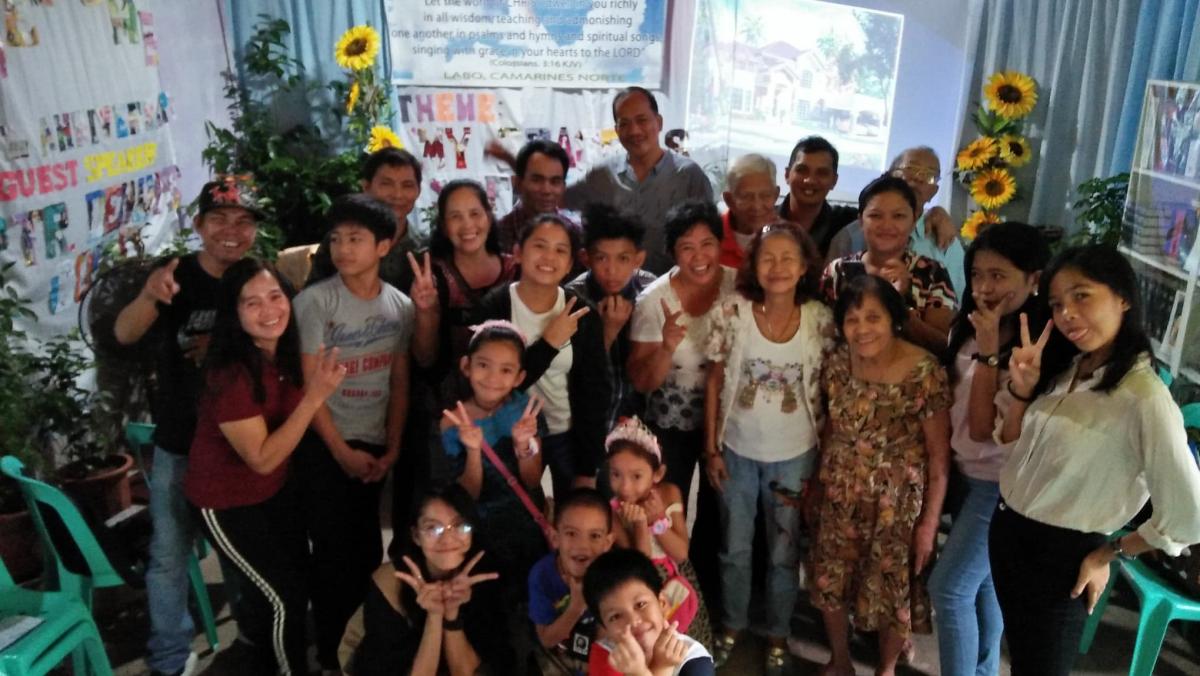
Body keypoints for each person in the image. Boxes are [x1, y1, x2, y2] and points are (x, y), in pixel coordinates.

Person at [992, 245, 1200, 675]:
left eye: (1082, 296)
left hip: (1063, 557)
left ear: (1123, 298)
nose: (1067, 313)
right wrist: (1022, 391)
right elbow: (1012, 445)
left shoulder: (1144, 397)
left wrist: (1110, 552)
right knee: (1023, 661)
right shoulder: (1068, 371)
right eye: (1057, 304)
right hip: (1010, 534)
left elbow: (1189, 515)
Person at [112, 175, 263, 676]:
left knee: (241, 551)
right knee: (168, 555)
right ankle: (170, 658)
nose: (231, 231)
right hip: (181, 442)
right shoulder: (174, 276)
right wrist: (149, 296)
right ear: (199, 225)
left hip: (241, 444)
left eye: (243, 221)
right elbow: (124, 333)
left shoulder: (255, 280)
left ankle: (251, 640)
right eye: (219, 219)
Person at [184, 258, 346, 675]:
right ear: (234, 313)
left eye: (275, 296)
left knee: (290, 584)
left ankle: (265, 660)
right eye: (251, 302)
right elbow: (262, 459)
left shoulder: (284, 352)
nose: (269, 310)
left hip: (275, 491)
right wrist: (315, 396)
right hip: (225, 503)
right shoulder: (231, 374)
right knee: (283, 598)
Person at [291, 194, 416, 673]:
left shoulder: (400, 306)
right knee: (331, 554)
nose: (343, 249)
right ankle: (328, 655)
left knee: (366, 550)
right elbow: (310, 387)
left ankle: (360, 646)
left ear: (384, 245)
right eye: (337, 239)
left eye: (356, 239)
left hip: (373, 443)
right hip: (326, 442)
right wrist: (340, 451)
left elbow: (399, 380)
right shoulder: (314, 302)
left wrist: (393, 447)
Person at [702, 222, 833, 672]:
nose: (778, 267)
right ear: (753, 265)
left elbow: (829, 388)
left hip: (795, 457)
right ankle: (733, 626)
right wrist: (711, 449)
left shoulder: (819, 320)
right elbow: (714, 380)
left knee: (784, 554)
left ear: (804, 266)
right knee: (734, 549)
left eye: (788, 258)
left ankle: (779, 634)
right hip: (736, 452)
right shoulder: (732, 312)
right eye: (767, 258)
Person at [811, 274, 951, 676]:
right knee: (831, 578)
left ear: (894, 319)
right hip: (840, 492)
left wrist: (929, 525)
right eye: (852, 319)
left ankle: (885, 668)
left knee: (893, 588)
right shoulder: (838, 364)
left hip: (897, 506)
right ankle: (840, 660)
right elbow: (831, 428)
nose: (862, 329)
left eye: (873, 317)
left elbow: (939, 458)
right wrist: (817, 487)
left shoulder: (923, 371)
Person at [928, 222, 1048, 676]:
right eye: (977, 274)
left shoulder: (1034, 345)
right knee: (983, 588)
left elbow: (982, 429)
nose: (984, 287)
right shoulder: (973, 323)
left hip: (998, 484)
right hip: (966, 472)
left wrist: (990, 351)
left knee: (949, 589)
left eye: (999, 276)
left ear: (1033, 279)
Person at [628, 200, 736, 621]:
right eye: (687, 247)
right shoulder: (654, 300)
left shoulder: (737, 286)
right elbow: (642, 381)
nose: (699, 256)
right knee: (668, 512)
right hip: (668, 422)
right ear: (673, 252)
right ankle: (664, 604)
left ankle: (707, 605)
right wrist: (667, 347)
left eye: (707, 243)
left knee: (717, 516)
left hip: (725, 424)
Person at [475, 214, 611, 497]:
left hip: (567, 433)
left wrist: (588, 468)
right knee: (517, 512)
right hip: (510, 431)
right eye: (540, 245)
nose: (549, 256)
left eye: (560, 250)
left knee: (574, 513)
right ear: (517, 253)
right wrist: (549, 342)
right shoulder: (496, 307)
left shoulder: (582, 314)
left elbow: (596, 393)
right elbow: (493, 385)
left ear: (570, 264)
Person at [350, 486, 513, 675]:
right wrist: (434, 616)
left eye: (460, 526)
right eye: (432, 528)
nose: (447, 539)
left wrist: (452, 616)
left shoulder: (487, 578)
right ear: (416, 536)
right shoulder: (392, 582)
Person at [439, 320, 548, 601]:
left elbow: (532, 480)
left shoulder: (526, 411)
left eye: (506, 370)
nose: (492, 377)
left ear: (519, 377)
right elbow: (468, 495)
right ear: (466, 366)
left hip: (527, 528)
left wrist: (523, 445)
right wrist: (473, 451)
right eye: (483, 365)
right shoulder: (451, 423)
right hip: (480, 535)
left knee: (532, 599)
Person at [565, 87, 713, 274]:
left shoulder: (689, 176)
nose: (634, 130)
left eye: (642, 120)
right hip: (612, 285)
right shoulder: (601, 175)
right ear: (616, 130)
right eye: (624, 123)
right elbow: (568, 211)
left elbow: (707, 242)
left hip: (670, 288)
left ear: (659, 122)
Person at [605, 416, 713, 649]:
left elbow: (681, 553)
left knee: (682, 641)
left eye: (636, 476)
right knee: (651, 644)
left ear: (657, 473)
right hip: (643, 591)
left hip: (677, 585)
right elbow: (641, 563)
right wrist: (641, 524)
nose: (625, 487)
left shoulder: (670, 493)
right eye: (615, 474)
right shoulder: (613, 512)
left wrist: (657, 520)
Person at [820, 175, 958, 352]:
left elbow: (943, 346)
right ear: (861, 221)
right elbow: (820, 335)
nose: (886, 225)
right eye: (875, 215)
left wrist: (898, 303)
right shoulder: (838, 271)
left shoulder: (932, 273)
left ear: (913, 221)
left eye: (898, 216)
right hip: (845, 367)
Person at [566, 203, 658, 430]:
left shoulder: (651, 289)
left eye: (623, 259)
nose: (612, 270)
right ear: (586, 258)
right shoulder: (572, 297)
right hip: (589, 419)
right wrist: (605, 333)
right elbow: (571, 375)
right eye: (601, 258)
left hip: (642, 417)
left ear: (638, 259)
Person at [827, 146, 964, 291]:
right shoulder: (850, 237)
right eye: (910, 169)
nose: (918, 178)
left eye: (929, 175)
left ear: (934, 191)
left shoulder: (945, 241)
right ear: (890, 175)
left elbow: (956, 299)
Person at [426, 179, 520, 390]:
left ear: (489, 216)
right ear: (443, 226)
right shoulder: (432, 277)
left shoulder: (515, 269)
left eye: (475, 213)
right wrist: (426, 311)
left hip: (512, 392)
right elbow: (425, 358)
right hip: (452, 395)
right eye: (455, 216)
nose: (467, 224)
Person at [305, 147, 428, 293]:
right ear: (366, 187)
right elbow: (313, 295)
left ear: (418, 191)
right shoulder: (342, 241)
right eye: (386, 184)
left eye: (407, 185)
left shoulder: (424, 248)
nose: (397, 195)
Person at [583, 548, 716, 676]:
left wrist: (646, 671)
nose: (633, 621)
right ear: (604, 627)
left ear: (662, 603)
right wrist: (660, 668)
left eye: (640, 605)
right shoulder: (606, 654)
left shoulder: (695, 661)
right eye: (616, 616)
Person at [528, 487, 616, 675]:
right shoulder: (542, 576)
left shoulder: (613, 574)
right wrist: (576, 607)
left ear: (607, 543)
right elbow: (546, 640)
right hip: (560, 656)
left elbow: (612, 632)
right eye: (571, 533)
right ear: (555, 537)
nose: (582, 546)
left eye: (595, 536)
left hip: (600, 653)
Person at [495, 138, 582, 260]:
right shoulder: (496, 235)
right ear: (518, 183)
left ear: (563, 187)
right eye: (537, 180)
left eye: (555, 181)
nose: (546, 190)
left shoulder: (575, 235)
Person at [775, 136, 857, 259]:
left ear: (834, 181)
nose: (810, 180)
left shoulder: (847, 222)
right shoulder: (764, 220)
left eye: (822, 173)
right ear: (787, 174)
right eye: (802, 170)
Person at [718, 154, 781, 270]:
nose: (756, 206)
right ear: (729, 200)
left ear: (776, 195)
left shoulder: (789, 237)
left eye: (765, 195)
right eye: (746, 196)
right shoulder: (711, 237)